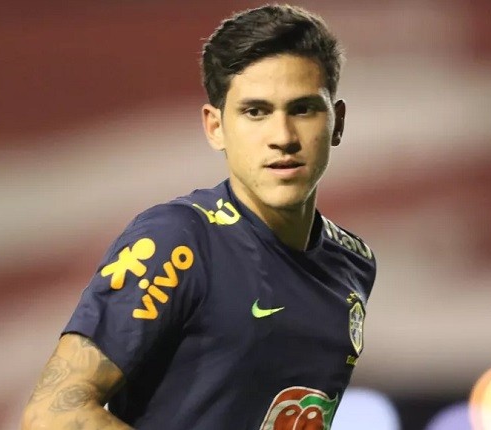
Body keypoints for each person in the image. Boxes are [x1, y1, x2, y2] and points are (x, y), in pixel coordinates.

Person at [21, 4, 376, 430]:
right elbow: (53, 414)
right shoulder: (178, 241)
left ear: (337, 122)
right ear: (215, 127)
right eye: (255, 111)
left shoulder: (353, 262)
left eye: (302, 109)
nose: (283, 137)